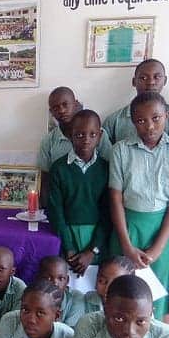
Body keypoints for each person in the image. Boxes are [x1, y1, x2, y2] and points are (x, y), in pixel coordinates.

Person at [109, 92, 169, 318]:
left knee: (156, 289)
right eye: (141, 120)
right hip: (127, 227)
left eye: (156, 118)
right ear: (133, 122)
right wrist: (126, 245)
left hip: (162, 229)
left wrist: (158, 246)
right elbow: (115, 198)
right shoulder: (121, 150)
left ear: (166, 115)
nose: (149, 126)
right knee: (124, 285)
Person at [47, 110, 111, 276]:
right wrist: (69, 248)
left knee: (94, 285)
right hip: (67, 237)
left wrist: (93, 250)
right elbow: (56, 212)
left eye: (92, 134)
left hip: (96, 240)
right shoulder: (59, 169)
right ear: (70, 135)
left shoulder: (106, 169)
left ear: (100, 135)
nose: (86, 140)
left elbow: (107, 214)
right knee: (66, 284)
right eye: (80, 134)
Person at [38, 88, 111, 207]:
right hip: (62, 203)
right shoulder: (48, 142)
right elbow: (45, 178)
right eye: (56, 108)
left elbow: (109, 168)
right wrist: (45, 209)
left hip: (95, 201)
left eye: (65, 104)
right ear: (51, 112)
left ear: (76, 105)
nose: (62, 110)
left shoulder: (97, 134)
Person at [103, 59, 169, 144]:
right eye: (143, 78)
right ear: (134, 82)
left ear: (165, 80)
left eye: (157, 77)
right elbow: (105, 154)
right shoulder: (114, 121)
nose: (151, 82)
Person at [36, 256, 84, 328]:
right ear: (39, 278)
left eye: (61, 278)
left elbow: (69, 334)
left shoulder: (76, 299)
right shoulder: (31, 297)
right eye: (48, 278)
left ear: (67, 280)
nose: (55, 283)